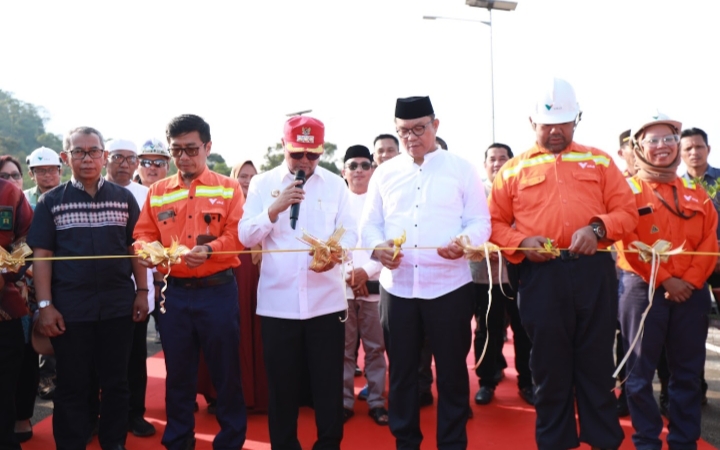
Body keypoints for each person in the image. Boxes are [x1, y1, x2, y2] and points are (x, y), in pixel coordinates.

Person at [487, 78, 637, 450]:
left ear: (577, 120)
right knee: (549, 365)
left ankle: (603, 440)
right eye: (547, 125)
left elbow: (627, 212)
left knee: (596, 361)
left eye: (564, 123)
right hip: (541, 276)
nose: (556, 131)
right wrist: (521, 242)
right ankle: (555, 441)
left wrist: (598, 228)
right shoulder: (513, 170)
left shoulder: (600, 161)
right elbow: (493, 223)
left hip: (593, 271)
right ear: (532, 123)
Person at [360, 96, 490, 449]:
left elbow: (480, 222)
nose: (411, 137)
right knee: (402, 373)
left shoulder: (461, 169)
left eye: (419, 129)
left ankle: (452, 442)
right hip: (398, 288)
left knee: (452, 372)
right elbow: (369, 225)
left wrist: (464, 241)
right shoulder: (384, 172)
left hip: (449, 286)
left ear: (436, 125)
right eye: (403, 131)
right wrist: (378, 247)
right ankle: (405, 441)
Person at [27, 126, 148, 450]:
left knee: (117, 384)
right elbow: (42, 256)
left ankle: (114, 443)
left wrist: (142, 292)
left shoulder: (123, 199)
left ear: (104, 156)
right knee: (72, 385)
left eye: (93, 151)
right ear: (65, 158)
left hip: (117, 307)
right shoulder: (51, 202)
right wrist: (45, 306)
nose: (87, 158)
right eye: (78, 152)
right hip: (71, 311)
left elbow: (135, 248)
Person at [240, 115, 356, 450]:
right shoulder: (262, 183)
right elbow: (245, 236)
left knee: (328, 386)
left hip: (326, 303)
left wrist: (336, 253)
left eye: (313, 154)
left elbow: (350, 233)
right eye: (297, 154)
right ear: (283, 146)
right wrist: (273, 210)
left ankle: (328, 445)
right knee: (282, 389)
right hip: (279, 306)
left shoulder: (335, 184)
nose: (305, 162)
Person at [134, 114, 246, 450]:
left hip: (218, 291)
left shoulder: (228, 188)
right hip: (175, 294)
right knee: (178, 373)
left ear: (207, 147)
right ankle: (179, 439)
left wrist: (209, 250)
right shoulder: (157, 192)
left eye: (191, 149)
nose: (183, 157)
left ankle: (230, 441)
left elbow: (237, 235)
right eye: (177, 150)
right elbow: (142, 235)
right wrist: (148, 252)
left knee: (226, 371)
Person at [615, 112, 717, 450]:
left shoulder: (696, 192)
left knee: (687, 375)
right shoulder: (625, 192)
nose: (663, 146)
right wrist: (667, 280)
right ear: (638, 147)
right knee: (639, 375)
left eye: (670, 139)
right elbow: (627, 243)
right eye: (653, 140)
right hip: (643, 291)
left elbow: (709, 243)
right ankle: (647, 440)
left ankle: (684, 441)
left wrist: (689, 281)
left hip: (692, 292)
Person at [471, 143, 534, 407]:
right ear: (484, 164)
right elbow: (469, 227)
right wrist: (485, 247)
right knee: (487, 329)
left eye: (503, 158)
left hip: (520, 273)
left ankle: (527, 382)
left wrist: (510, 246)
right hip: (484, 276)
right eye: (492, 159)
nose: (497, 163)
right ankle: (487, 381)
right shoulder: (475, 193)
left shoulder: (523, 189)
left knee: (524, 329)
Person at [104, 138, 157, 437]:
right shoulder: (94, 191)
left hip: (139, 290)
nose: (124, 164)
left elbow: (157, 242)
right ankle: (99, 415)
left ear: (137, 163)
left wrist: (150, 288)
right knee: (99, 360)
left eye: (130, 158)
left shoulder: (148, 195)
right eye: (117, 157)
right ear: (105, 159)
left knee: (136, 356)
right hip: (99, 292)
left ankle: (134, 414)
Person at [339, 145, 387, 425]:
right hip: (341, 289)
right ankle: (344, 401)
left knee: (375, 349)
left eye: (364, 165)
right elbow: (330, 244)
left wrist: (365, 272)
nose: (359, 170)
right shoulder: (336, 201)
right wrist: (350, 275)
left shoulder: (381, 202)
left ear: (372, 169)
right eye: (353, 166)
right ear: (343, 171)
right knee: (344, 351)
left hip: (374, 286)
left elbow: (387, 243)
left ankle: (377, 401)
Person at [0, 154, 39, 443]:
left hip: (6, 309)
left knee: (5, 388)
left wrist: (6, 270)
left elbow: (27, 240)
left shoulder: (9, 194)